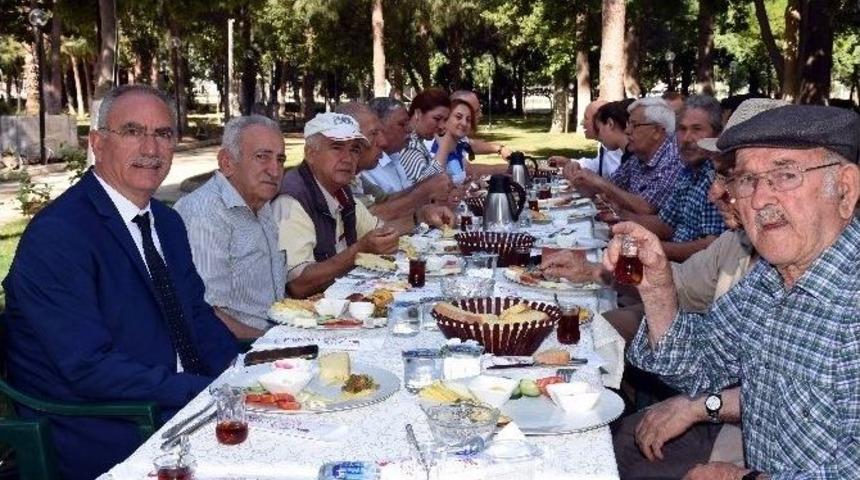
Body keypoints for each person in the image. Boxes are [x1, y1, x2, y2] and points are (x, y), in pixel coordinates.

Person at [1, 85, 238, 480]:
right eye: (132, 131)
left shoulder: (165, 221)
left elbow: (194, 313)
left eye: (163, 134)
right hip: (108, 425)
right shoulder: (60, 235)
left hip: (175, 400)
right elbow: (88, 367)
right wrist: (202, 390)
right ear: (97, 143)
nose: (151, 148)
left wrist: (236, 371)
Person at [611, 104, 860, 479]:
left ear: (845, 188)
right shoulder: (769, 280)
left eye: (786, 175)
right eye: (745, 180)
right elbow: (697, 365)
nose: (759, 199)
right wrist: (659, 287)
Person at [273, 113, 453, 298]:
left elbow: (380, 232)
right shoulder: (293, 200)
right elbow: (298, 284)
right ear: (310, 153)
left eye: (355, 150)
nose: (348, 158)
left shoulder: (340, 192)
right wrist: (358, 251)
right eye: (337, 147)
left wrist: (421, 216)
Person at [174, 114, 286, 339]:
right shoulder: (204, 214)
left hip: (276, 334)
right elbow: (205, 316)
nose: (275, 171)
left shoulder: (259, 203)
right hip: (236, 354)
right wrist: (272, 343)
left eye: (280, 159)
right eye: (262, 157)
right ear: (227, 162)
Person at [622, 95, 727, 262]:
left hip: (694, 275)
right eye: (682, 129)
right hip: (672, 264)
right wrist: (619, 218)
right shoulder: (689, 170)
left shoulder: (718, 176)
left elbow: (711, 247)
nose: (686, 138)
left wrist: (644, 247)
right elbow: (665, 224)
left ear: (717, 135)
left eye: (697, 129)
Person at [337, 101, 455, 220]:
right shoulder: (340, 177)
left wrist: (422, 211)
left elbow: (385, 200)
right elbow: (368, 220)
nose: (383, 142)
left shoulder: (357, 176)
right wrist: (425, 192)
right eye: (374, 133)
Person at [566, 98, 682, 214]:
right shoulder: (636, 158)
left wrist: (601, 183)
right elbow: (600, 191)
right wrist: (578, 177)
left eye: (634, 125)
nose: (627, 130)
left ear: (656, 131)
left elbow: (648, 208)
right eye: (628, 124)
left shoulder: (673, 159)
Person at [430, 98, 508, 183]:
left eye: (468, 119)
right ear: (445, 119)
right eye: (458, 117)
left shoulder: (457, 146)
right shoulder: (434, 149)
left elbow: (467, 169)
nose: (464, 123)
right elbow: (435, 187)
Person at [551, 99, 626, 178]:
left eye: (586, 118)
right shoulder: (605, 144)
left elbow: (619, 183)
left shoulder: (619, 148)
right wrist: (568, 162)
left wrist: (595, 183)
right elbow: (598, 164)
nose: (582, 123)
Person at [399, 87, 451, 183]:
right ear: (418, 113)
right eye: (437, 118)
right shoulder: (409, 144)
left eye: (445, 120)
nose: (442, 126)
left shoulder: (416, 141)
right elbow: (422, 187)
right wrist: (443, 148)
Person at [449, 89, 512, 159]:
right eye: (475, 112)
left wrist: (500, 148)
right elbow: (436, 168)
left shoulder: (458, 138)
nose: (480, 115)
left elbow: (472, 145)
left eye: (479, 109)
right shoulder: (441, 146)